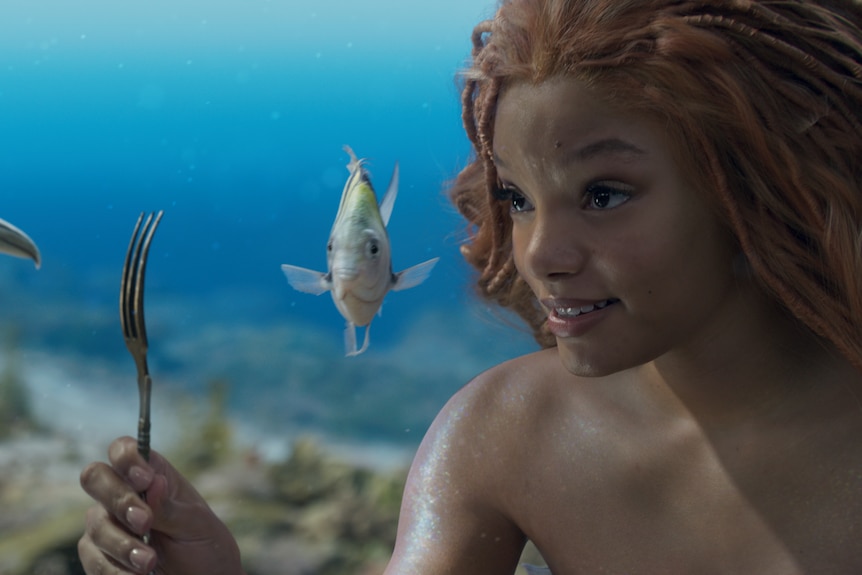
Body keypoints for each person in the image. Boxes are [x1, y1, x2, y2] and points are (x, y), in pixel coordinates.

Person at [77, 0, 862, 572]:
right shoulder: (504, 430)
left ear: (751, 189)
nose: (540, 253)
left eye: (603, 195)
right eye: (517, 198)